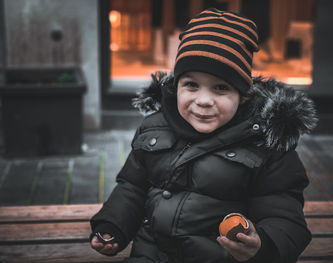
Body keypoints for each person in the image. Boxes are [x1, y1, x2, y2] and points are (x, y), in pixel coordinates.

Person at [90, 8, 317, 263]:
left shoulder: (266, 145)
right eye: (191, 85)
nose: (204, 100)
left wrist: (262, 244)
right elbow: (132, 187)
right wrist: (113, 225)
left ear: (243, 96)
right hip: (152, 254)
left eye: (221, 88)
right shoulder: (154, 128)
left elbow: (283, 214)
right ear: (176, 86)